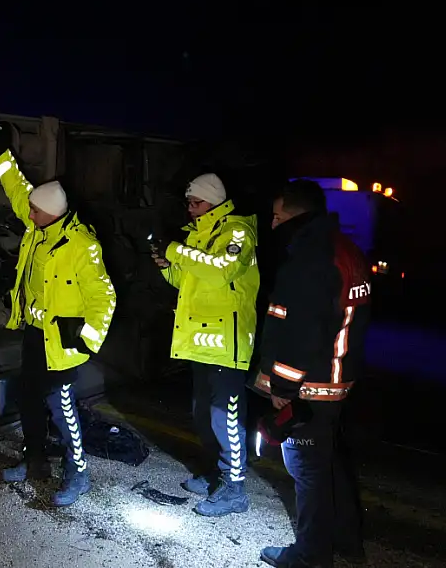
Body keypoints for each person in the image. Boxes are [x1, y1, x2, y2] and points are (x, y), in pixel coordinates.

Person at [0, 123, 118, 507]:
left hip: (63, 341)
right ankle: (34, 464)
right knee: (28, 400)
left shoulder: (81, 244)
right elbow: (17, 188)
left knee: (60, 406)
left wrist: (87, 339)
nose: (26, 211)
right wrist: (1, 153)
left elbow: (104, 295)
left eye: (34, 209)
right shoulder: (39, 224)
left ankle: (78, 474)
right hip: (35, 333)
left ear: (51, 213)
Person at [253, 180, 368, 568]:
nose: (271, 225)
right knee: (327, 464)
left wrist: (283, 386)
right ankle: (345, 539)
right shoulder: (343, 248)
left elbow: (303, 329)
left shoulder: (311, 257)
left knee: (307, 470)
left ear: (296, 215)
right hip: (335, 378)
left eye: (276, 216)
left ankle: (311, 555)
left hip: (311, 386)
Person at [153, 173, 260, 516]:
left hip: (226, 342)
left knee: (224, 417)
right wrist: (168, 265)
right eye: (188, 202)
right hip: (200, 340)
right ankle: (216, 473)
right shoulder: (197, 235)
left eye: (196, 202)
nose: (190, 209)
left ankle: (235, 489)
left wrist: (175, 250)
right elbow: (187, 282)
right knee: (202, 414)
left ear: (214, 200)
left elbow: (220, 272)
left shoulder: (237, 232)